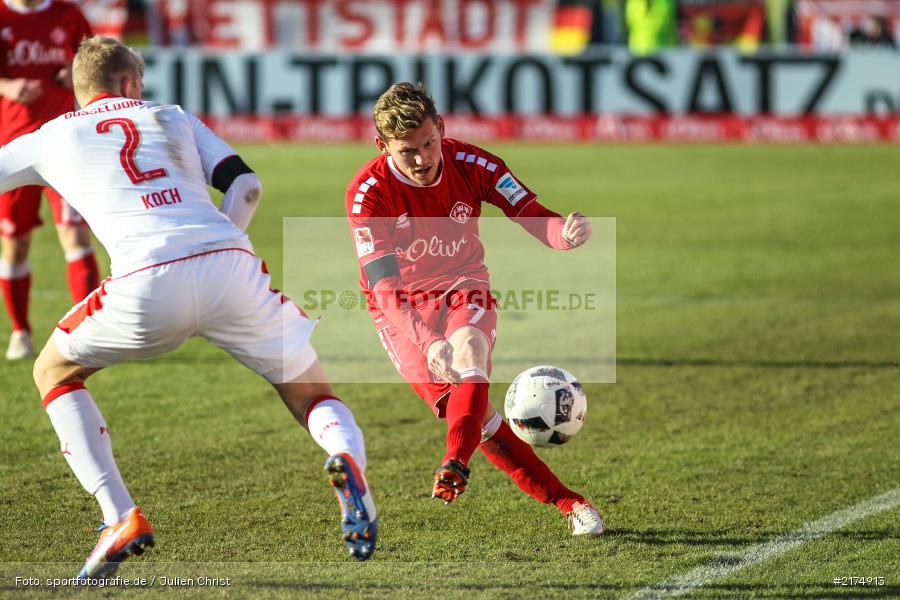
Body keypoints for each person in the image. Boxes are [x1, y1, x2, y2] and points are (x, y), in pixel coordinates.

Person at [0, 36, 377, 577]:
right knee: (311, 393)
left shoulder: (51, 135)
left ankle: (119, 516)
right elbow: (246, 187)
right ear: (131, 84)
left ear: (80, 89)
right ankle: (347, 460)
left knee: (53, 370)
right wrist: (219, 248)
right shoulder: (172, 115)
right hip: (231, 266)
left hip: (145, 282)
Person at [344, 82, 604, 536]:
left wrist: (563, 232)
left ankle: (454, 462)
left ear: (441, 127)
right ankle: (569, 501)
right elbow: (384, 285)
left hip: (465, 283)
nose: (423, 159)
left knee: (470, 351)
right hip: (402, 308)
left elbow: (527, 209)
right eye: (408, 152)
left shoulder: (474, 163)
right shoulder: (368, 193)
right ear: (381, 145)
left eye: (429, 143)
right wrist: (427, 340)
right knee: (480, 421)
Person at [0, 0, 100, 360]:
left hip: (65, 144)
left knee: (75, 234)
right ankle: (21, 332)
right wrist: (6, 85)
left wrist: (75, 69)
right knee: (15, 243)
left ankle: (87, 334)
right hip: (13, 149)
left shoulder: (67, 13)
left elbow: (97, 59)